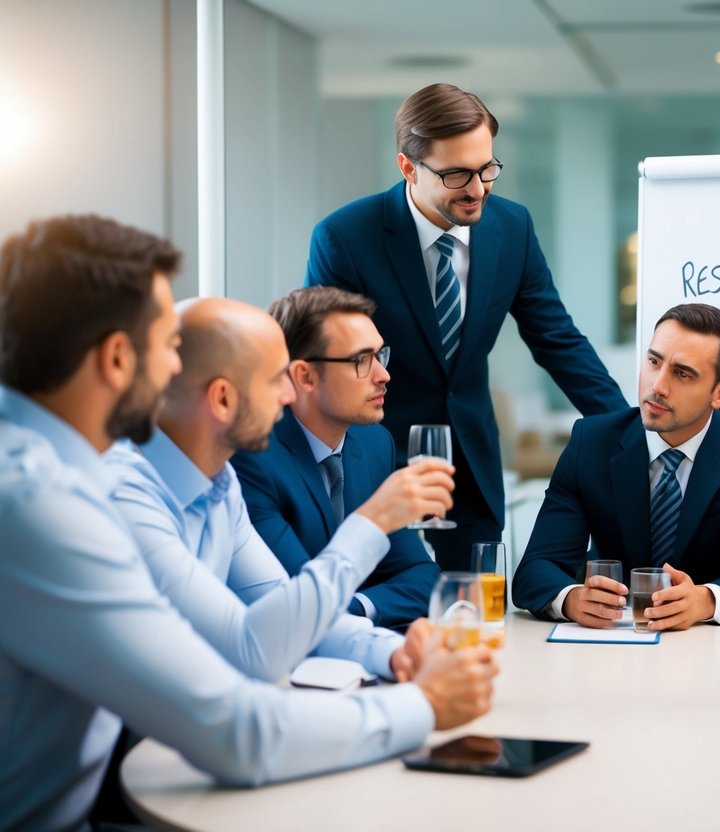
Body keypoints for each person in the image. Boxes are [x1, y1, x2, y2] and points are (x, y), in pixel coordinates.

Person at [0, 215, 494, 831]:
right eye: (169, 346)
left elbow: (263, 624)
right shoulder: (45, 505)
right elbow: (238, 730)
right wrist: (423, 705)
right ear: (120, 359)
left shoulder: (117, 478)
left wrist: (391, 654)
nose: (178, 368)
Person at [306, 82, 627, 570]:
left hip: (471, 470)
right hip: (376, 468)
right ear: (408, 167)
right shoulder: (346, 237)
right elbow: (326, 363)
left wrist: (626, 434)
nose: (478, 189)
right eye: (457, 174)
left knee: (477, 617)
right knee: (395, 615)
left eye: (487, 169)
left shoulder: (511, 227)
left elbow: (557, 339)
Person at [107, 294, 456, 681]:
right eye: (276, 379)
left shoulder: (221, 488)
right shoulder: (126, 499)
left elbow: (285, 616)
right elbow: (251, 647)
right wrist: (372, 522)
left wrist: (393, 653)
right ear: (222, 398)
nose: (289, 396)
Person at [512, 303, 720, 630]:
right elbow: (535, 568)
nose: (657, 386)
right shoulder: (591, 442)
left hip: (703, 646)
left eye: (683, 373)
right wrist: (573, 599)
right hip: (605, 645)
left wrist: (706, 600)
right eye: (654, 362)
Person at [230, 286, 440, 630]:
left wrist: (356, 609)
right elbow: (295, 600)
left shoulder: (375, 444)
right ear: (304, 376)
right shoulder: (251, 456)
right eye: (361, 360)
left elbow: (422, 576)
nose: (383, 375)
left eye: (380, 355)